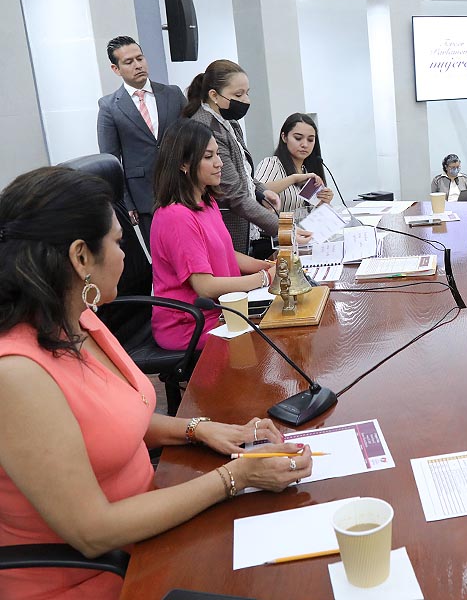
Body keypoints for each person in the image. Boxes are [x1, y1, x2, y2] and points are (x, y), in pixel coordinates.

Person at [0, 166, 311, 600]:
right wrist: (234, 477)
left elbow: (113, 419)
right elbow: (93, 531)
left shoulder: (80, 319)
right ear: (80, 257)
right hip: (100, 577)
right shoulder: (16, 375)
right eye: (117, 243)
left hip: (152, 531)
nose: (126, 257)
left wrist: (199, 429)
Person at [150, 119, 278, 351]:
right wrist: (265, 278)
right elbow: (205, 287)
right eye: (209, 157)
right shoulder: (176, 216)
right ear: (183, 164)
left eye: (217, 154)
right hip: (193, 323)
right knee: (274, 335)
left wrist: (268, 266)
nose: (219, 163)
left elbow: (226, 253)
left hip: (223, 309)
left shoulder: (206, 201)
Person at [184, 60, 302, 254]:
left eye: (247, 93)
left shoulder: (229, 121)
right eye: (238, 95)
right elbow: (233, 194)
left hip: (244, 225)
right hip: (227, 226)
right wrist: (285, 229)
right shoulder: (205, 128)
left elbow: (242, 172)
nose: (246, 100)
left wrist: (261, 191)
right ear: (214, 95)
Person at [97, 36, 186, 246]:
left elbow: (194, 139)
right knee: (162, 254)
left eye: (140, 58)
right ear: (116, 69)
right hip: (145, 196)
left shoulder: (172, 93)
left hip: (184, 186)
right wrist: (126, 201)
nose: (138, 65)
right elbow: (111, 161)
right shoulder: (109, 106)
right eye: (129, 62)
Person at [255, 113, 333, 214]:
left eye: (310, 140)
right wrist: (294, 178)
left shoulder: (308, 171)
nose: (305, 144)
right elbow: (255, 191)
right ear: (284, 137)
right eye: (298, 138)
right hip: (276, 224)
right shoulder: (272, 163)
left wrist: (323, 202)